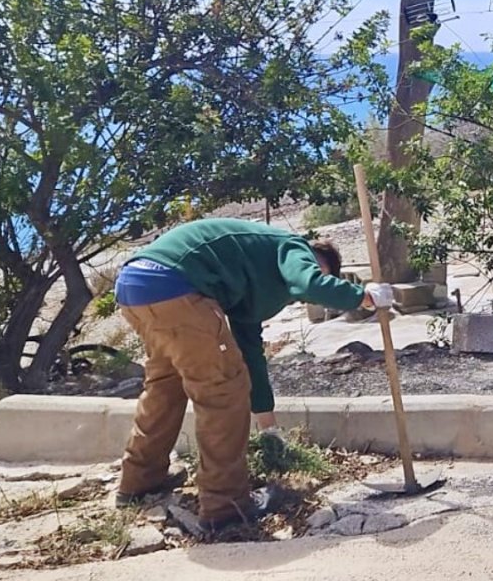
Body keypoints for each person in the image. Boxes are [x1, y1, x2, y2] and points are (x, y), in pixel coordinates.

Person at [111, 218, 395, 532]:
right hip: (177, 287)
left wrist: (268, 427)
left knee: (166, 386)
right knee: (222, 393)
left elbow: (250, 355)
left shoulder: (250, 278)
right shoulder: (293, 246)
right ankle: (225, 508)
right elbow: (309, 283)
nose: (302, 293)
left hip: (134, 285)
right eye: (317, 270)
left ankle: (138, 483)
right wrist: (362, 296)